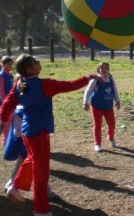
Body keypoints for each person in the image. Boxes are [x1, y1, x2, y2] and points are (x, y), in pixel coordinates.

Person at [0, 54, 97, 216]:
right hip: (39, 134)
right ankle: (41, 210)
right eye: (35, 62)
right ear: (31, 69)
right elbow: (68, 85)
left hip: (27, 132)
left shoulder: (18, 84)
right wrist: (87, 78)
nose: (39, 63)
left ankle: (14, 187)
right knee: (41, 175)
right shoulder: (44, 85)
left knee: (31, 159)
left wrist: (2, 119)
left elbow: (7, 104)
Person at [83, 62, 120, 152]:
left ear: (108, 69)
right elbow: (88, 91)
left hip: (108, 106)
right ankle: (97, 144)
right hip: (96, 106)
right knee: (97, 125)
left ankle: (111, 138)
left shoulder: (111, 79)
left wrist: (118, 100)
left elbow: (114, 90)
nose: (104, 70)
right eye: (102, 68)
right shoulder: (95, 80)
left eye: (106, 68)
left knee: (112, 124)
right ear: (98, 70)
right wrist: (85, 103)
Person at [0, 55, 14, 145]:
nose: (10, 66)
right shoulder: (1, 75)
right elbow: (1, 91)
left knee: (13, 120)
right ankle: (6, 140)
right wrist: (6, 102)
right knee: (6, 122)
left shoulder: (10, 74)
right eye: (9, 64)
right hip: (5, 102)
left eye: (11, 64)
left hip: (12, 101)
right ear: (3, 64)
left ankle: (11, 138)